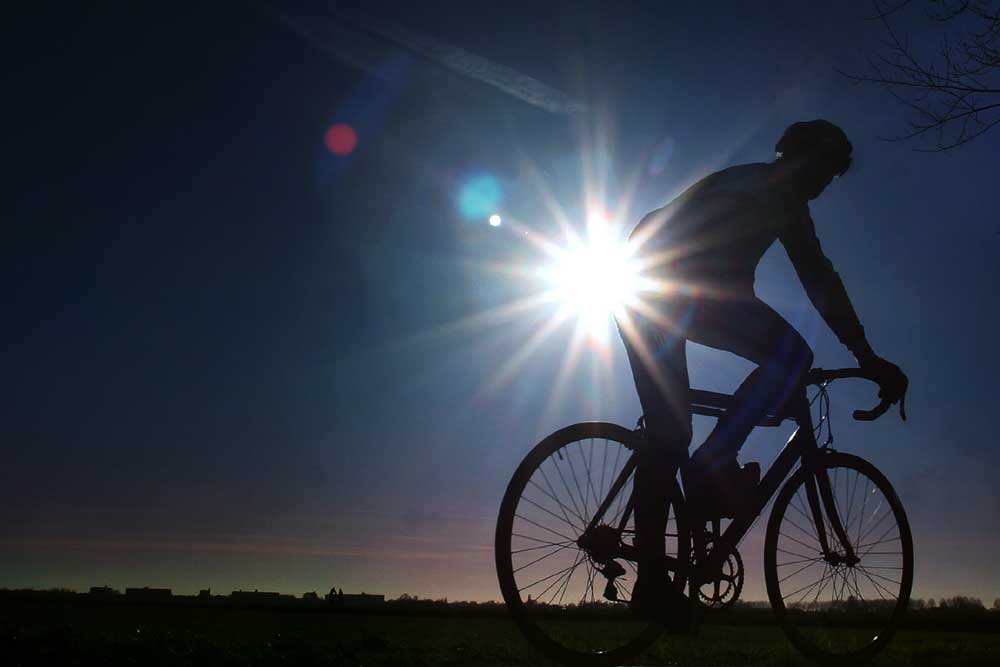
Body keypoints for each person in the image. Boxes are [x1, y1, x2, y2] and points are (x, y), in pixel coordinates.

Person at [617, 120, 908, 619]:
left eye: (834, 175)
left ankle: (658, 568)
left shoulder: (749, 181)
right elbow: (818, 277)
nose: (825, 182)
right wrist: (867, 357)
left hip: (645, 290)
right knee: (788, 358)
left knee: (670, 432)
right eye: (825, 167)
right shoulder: (778, 194)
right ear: (798, 157)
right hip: (674, 291)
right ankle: (710, 466)